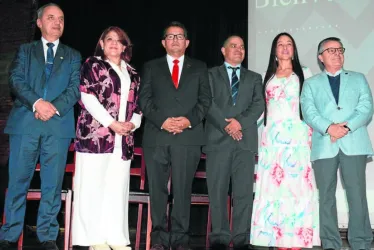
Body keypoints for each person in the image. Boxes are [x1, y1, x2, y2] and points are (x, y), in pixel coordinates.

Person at [0, 3, 81, 250]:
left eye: (61, 18)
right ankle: (9, 235)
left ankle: (47, 235)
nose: (57, 22)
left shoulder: (74, 55)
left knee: (52, 185)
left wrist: (51, 107)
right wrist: (37, 103)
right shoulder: (25, 51)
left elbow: (75, 88)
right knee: (17, 182)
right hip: (25, 124)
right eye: (51, 17)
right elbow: (16, 80)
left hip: (57, 127)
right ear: (38, 23)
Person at [139, 21, 211, 250]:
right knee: (157, 189)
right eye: (170, 36)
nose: (175, 40)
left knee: (182, 189)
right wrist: (163, 121)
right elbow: (144, 99)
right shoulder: (151, 67)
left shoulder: (199, 67)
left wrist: (188, 120)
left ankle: (180, 238)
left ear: (187, 42)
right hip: (157, 136)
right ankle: (159, 237)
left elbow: (205, 100)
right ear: (163, 42)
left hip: (188, 138)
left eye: (180, 36)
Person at [300, 37, 373, 250]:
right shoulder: (311, 84)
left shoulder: (359, 79)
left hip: (354, 142)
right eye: (330, 50)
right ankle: (331, 244)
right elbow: (308, 111)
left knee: (357, 195)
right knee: (326, 197)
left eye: (340, 49)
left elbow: (366, 107)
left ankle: (361, 243)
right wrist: (330, 128)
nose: (337, 54)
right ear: (320, 57)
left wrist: (346, 127)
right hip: (324, 145)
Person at [72, 26, 141, 250]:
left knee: (117, 190)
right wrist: (112, 124)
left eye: (118, 40)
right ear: (101, 44)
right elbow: (87, 98)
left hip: (123, 140)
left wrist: (133, 124)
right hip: (95, 137)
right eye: (108, 39)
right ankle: (93, 239)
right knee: (92, 189)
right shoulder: (92, 65)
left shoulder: (132, 73)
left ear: (124, 47)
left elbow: (138, 106)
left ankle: (116, 238)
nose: (113, 44)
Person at [250, 32, 320, 250]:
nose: (285, 47)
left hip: (298, 139)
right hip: (272, 141)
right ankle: (275, 238)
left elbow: (311, 106)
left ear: (294, 49)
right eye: (280, 44)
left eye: (289, 44)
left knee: (297, 188)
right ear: (274, 50)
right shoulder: (266, 76)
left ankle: (296, 240)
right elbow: (260, 110)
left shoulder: (305, 73)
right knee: (274, 189)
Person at [203, 35, 264, 250]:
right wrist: (227, 125)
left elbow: (258, 105)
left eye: (242, 47)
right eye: (233, 46)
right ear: (223, 50)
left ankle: (241, 238)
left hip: (245, 141)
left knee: (244, 192)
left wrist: (239, 123)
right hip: (217, 140)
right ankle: (219, 236)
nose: (238, 50)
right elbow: (206, 102)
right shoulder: (209, 75)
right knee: (217, 190)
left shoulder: (255, 77)